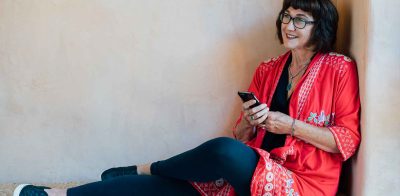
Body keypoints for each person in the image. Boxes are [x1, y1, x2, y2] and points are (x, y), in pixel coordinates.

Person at [14, 0, 361, 195]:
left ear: (321, 27)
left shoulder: (338, 68)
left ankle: (146, 165)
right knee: (166, 188)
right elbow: (241, 137)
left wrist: (291, 126)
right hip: (252, 170)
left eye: (301, 20)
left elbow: (347, 139)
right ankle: (54, 194)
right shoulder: (269, 68)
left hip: (303, 186)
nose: (289, 25)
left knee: (220, 152)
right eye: (287, 16)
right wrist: (251, 124)